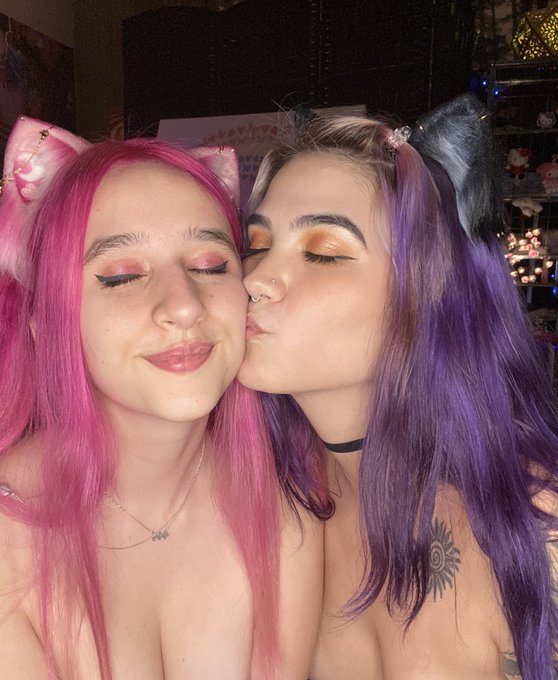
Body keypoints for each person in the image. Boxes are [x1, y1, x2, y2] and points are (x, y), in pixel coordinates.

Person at [239, 94, 558, 680]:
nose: (254, 279)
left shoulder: (534, 522)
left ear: (430, 290)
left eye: (323, 252)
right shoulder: (270, 507)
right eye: (256, 244)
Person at [0, 116, 324, 679]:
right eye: (122, 276)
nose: (185, 306)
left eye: (210, 265)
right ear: (45, 325)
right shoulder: (8, 544)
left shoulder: (288, 512)